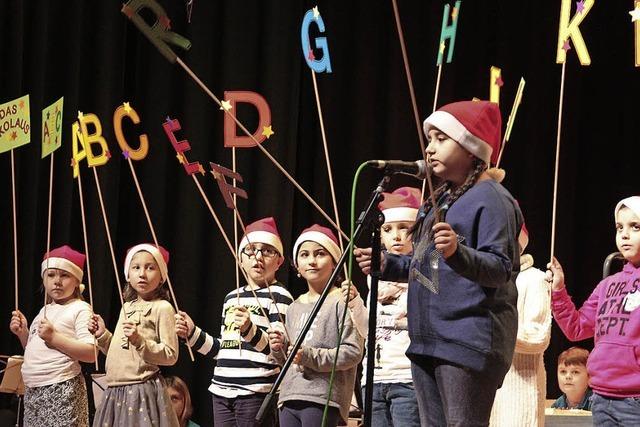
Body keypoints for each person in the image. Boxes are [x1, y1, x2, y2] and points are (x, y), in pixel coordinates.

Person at [355, 100, 522, 426]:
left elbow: (501, 269)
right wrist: (389, 264)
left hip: (466, 340)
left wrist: (458, 253)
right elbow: (428, 269)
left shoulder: (492, 198)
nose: (430, 149)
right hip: (428, 339)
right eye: (429, 139)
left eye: (441, 139)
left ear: (472, 146)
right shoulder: (439, 199)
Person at [175, 217, 293, 427]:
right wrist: (192, 333)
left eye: (267, 251)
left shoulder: (279, 295)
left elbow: (277, 353)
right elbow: (223, 349)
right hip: (221, 389)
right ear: (240, 258)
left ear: (279, 261)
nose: (257, 256)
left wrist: (250, 330)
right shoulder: (232, 297)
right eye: (250, 250)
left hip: (255, 391)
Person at [546, 195, 640, 424]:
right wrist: (558, 290)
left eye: (635, 227)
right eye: (620, 227)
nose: (625, 234)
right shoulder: (608, 285)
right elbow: (576, 328)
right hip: (601, 397)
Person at [269, 225, 364, 427]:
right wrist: (279, 347)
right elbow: (289, 358)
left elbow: (353, 352)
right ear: (297, 264)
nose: (311, 261)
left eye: (320, 254)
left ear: (335, 262)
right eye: (304, 255)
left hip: (323, 398)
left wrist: (309, 356)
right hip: (288, 396)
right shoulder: (294, 307)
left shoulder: (343, 301)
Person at [342, 186, 421, 427]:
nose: (396, 236)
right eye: (388, 229)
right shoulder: (373, 278)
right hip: (374, 379)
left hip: (407, 378)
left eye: (404, 228)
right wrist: (355, 303)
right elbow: (370, 330)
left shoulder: (426, 275)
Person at [88, 243, 179, 426]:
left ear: (161, 277)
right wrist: (103, 336)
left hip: (140, 390)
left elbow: (171, 355)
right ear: (128, 275)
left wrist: (140, 341)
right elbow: (121, 350)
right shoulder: (126, 307)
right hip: (114, 391)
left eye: (150, 268)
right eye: (136, 267)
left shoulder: (162, 307)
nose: (142, 274)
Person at [9, 245, 95, 426]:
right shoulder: (44, 310)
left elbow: (91, 353)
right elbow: (38, 351)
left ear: (76, 280)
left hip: (61, 385)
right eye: (51, 275)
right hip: (33, 390)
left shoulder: (79, 308)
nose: (57, 281)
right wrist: (23, 333)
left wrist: (54, 337)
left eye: (64, 275)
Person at [489, 224, 552, 426]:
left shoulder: (534, 279)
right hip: (487, 389)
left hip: (520, 392)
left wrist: (491, 332)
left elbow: (538, 337)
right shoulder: (486, 281)